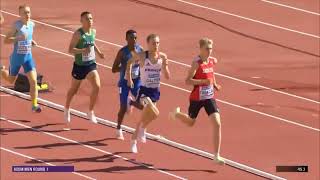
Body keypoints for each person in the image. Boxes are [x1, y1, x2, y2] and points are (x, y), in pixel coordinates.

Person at [169, 38, 225, 165]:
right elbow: (187, 81)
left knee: (217, 123)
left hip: (209, 97)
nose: (210, 51)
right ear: (201, 49)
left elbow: (211, 73)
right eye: (207, 49)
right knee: (190, 122)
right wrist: (202, 82)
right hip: (196, 99)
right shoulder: (196, 63)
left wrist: (214, 84)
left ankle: (216, 156)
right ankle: (176, 114)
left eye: (211, 49)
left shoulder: (210, 60)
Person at [126, 34, 170, 153]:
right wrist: (129, 78)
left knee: (146, 117)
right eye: (153, 43)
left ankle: (134, 139)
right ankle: (142, 130)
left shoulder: (162, 57)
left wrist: (165, 66)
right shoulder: (142, 56)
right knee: (156, 113)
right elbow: (129, 62)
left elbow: (167, 76)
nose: (156, 45)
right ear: (148, 44)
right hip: (144, 91)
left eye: (157, 43)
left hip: (155, 90)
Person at [64, 11, 104, 124]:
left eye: (91, 18)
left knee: (97, 86)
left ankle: (90, 111)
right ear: (81, 21)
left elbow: (92, 43)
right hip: (79, 66)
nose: (90, 21)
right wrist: (82, 50)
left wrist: (99, 52)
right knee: (74, 90)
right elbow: (70, 50)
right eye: (87, 19)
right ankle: (67, 108)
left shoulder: (93, 32)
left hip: (91, 64)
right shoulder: (78, 34)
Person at [1, 5, 41, 112]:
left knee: (33, 81)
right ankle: (1, 71)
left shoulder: (32, 24)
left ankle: (34, 105)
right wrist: (18, 38)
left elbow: (28, 36)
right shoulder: (16, 26)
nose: (27, 15)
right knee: (10, 80)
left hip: (28, 58)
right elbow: (6, 40)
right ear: (20, 14)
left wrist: (31, 41)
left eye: (28, 12)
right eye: (24, 13)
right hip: (16, 59)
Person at [112, 29, 143, 140]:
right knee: (123, 108)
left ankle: (132, 102)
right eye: (131, 38)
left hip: (137, 81)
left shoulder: (140, 50)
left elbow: (143, 65)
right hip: (124, 83)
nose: (133, 40)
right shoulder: (122, 52)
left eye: (135, 38)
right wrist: (125, 69)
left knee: (143, 105)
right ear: (126, 39)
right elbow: (114, 69)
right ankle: (119, 128)